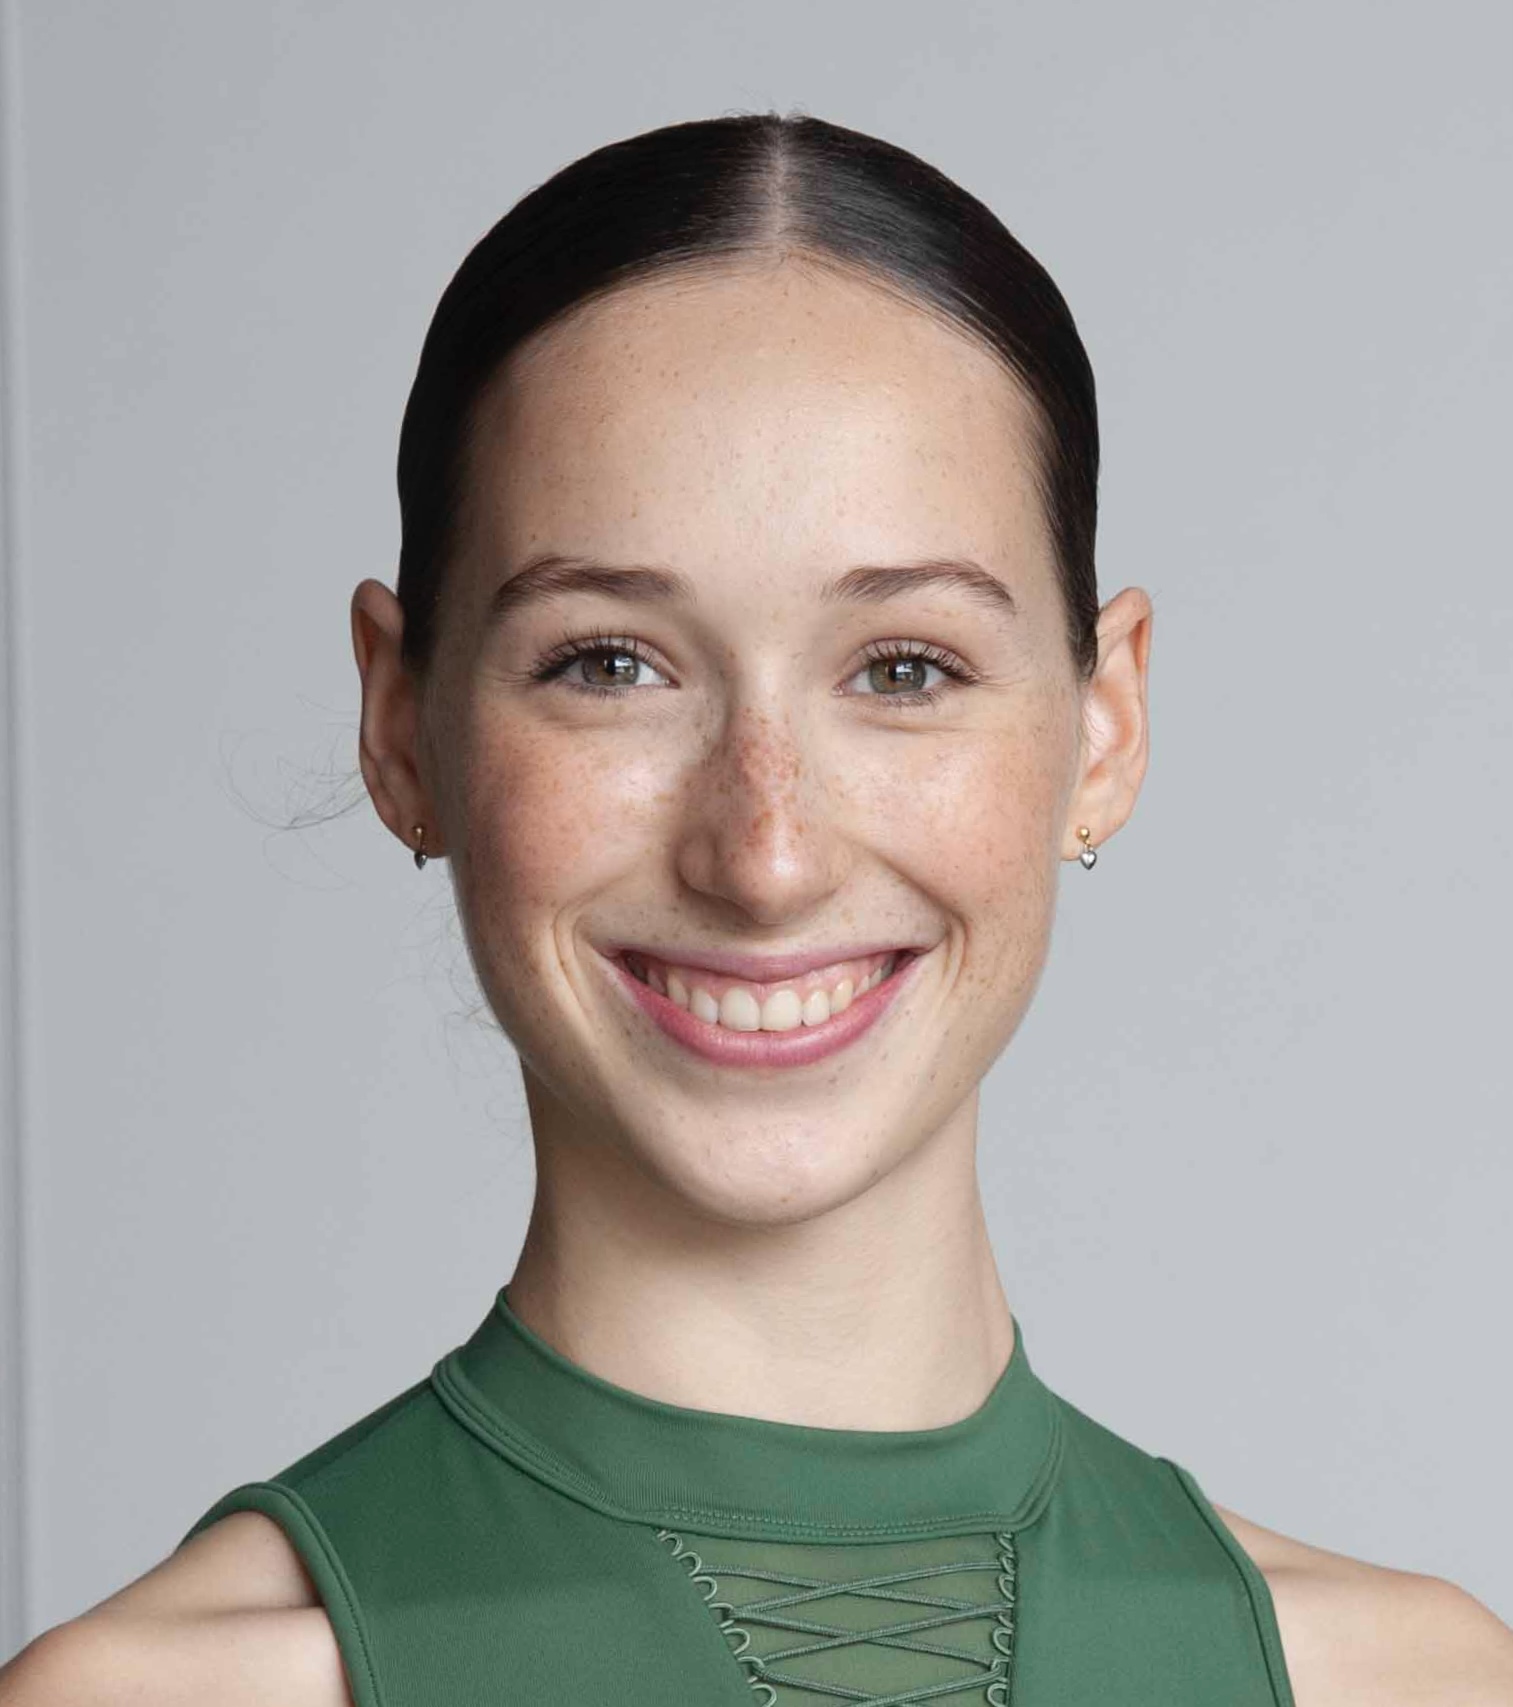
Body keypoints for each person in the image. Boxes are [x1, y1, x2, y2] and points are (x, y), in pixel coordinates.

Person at [3, 110, 1509, 1707]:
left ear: (1104, 729)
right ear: (399, 726)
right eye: (609, 665)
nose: (765, 855)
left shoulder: (1414, 1685)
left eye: (904, 669)